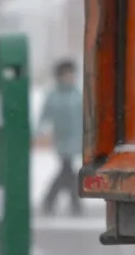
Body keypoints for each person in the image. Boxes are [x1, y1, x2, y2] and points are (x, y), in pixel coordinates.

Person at [38, 59, 83, 216]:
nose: (71, 77)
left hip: (76, 139)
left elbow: (85, 114)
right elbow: (45, 114)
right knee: (67, 171)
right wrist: (40, 129)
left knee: (67, 172)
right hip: (62, 140)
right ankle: (73, 204)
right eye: (67, 74)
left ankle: (53, 201)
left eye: (72, 74)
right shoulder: (54, 95)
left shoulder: (77, 94)